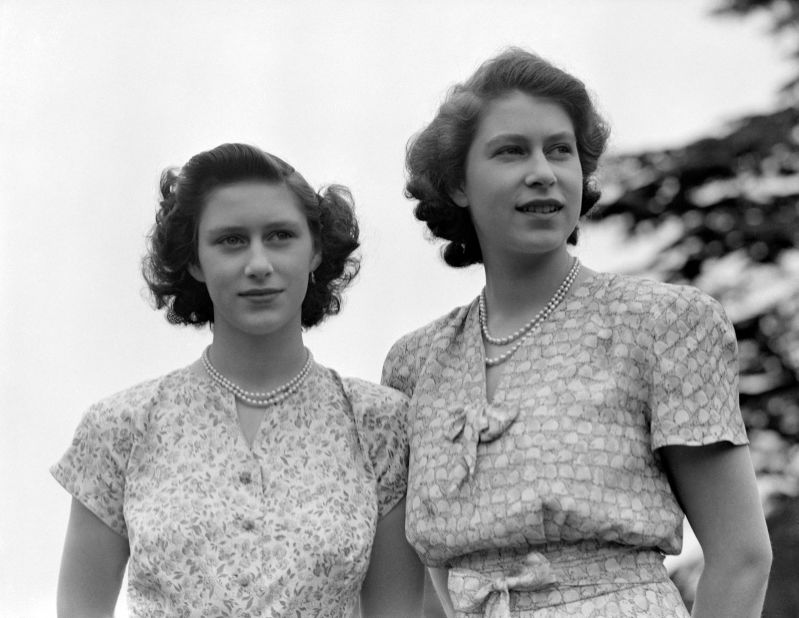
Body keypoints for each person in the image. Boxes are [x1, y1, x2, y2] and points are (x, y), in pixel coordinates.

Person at [382, 49, 772, 617]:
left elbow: (742, 556)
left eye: (559, 150)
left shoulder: (662, 324)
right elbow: (430, 572)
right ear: (457, 184)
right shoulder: (415, 364)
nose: (543, 170)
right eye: (511, 150)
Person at [52, 143, 423, 617]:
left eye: (280, 236)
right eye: (230, 240)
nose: (258, 264)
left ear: (315, 251)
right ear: (193, 261)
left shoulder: (379, 425)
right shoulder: (118, 428)